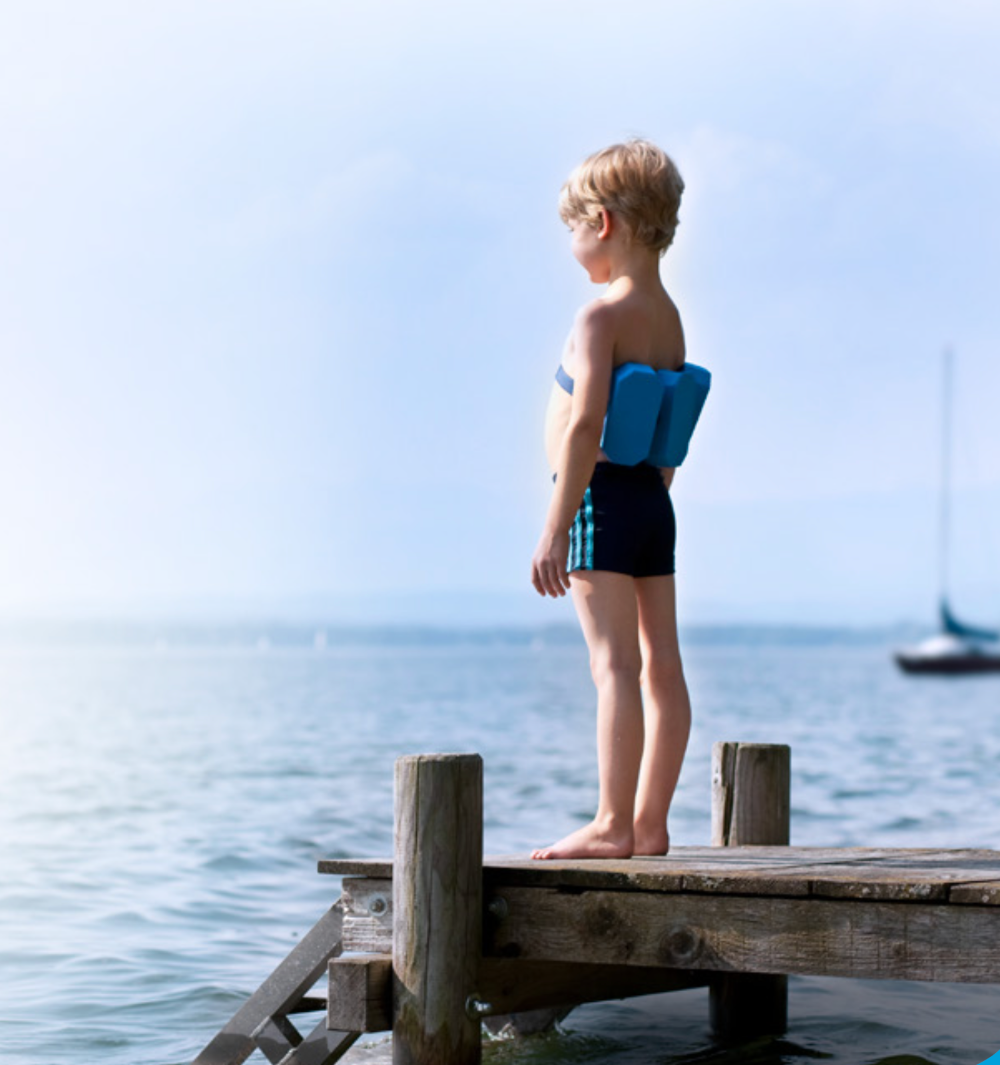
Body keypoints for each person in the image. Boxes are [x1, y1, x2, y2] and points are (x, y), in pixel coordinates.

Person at [530, 139, 694, 860]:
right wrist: (646, 504)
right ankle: (651, 824)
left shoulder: (600, 319)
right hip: (653, 503)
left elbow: (588, 425)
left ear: (602, 222)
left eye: (571, 227)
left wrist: (555, 528)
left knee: (614, 668)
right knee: (664, 666)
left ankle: (611, 822)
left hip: (597, 498)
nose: (570, 244)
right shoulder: (669, 318)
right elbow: (669, 429)